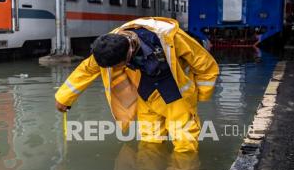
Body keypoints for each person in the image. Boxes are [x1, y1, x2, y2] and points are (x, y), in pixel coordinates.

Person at [55, 17, 219, 152]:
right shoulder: (109, 45)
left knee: (185, 144)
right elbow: (87, 69)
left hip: (175, 95)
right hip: (145, 95)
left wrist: (202, 94)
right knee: (150, 142)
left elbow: (203, 63)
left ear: (126, 58)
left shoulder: (167, 35)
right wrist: (64, 98)